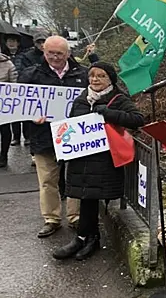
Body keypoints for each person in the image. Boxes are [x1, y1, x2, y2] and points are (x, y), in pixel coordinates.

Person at [53, 62, 145, 261]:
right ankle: (83, 238)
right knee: (85, 198)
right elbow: (72, 125)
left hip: (105, 160)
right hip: (81, 160)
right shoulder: (81, 99)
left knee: (92, 196)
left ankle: (90, 238)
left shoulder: (118, 99)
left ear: (110, 79)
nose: (95, 79)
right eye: (92, 75)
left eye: (101, 76)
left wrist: (108, 113)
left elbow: (138, 119)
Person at [19, 36, 87, 238]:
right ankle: (52, 219)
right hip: (43, 136)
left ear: (68, 53)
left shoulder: (82, 74)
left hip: (74, 135)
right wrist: (31, 118)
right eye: (50, 53)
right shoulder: (30, 74)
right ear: (43, 52)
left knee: (76, 177)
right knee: (48, 180)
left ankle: (76, 216)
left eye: (59, 53)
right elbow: (21, 104)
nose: (55, 57)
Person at [0, 48, 18, 168]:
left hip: (3, 104)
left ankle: (3, 156)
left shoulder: (7, 64)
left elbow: (15, 84)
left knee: (5, 130)